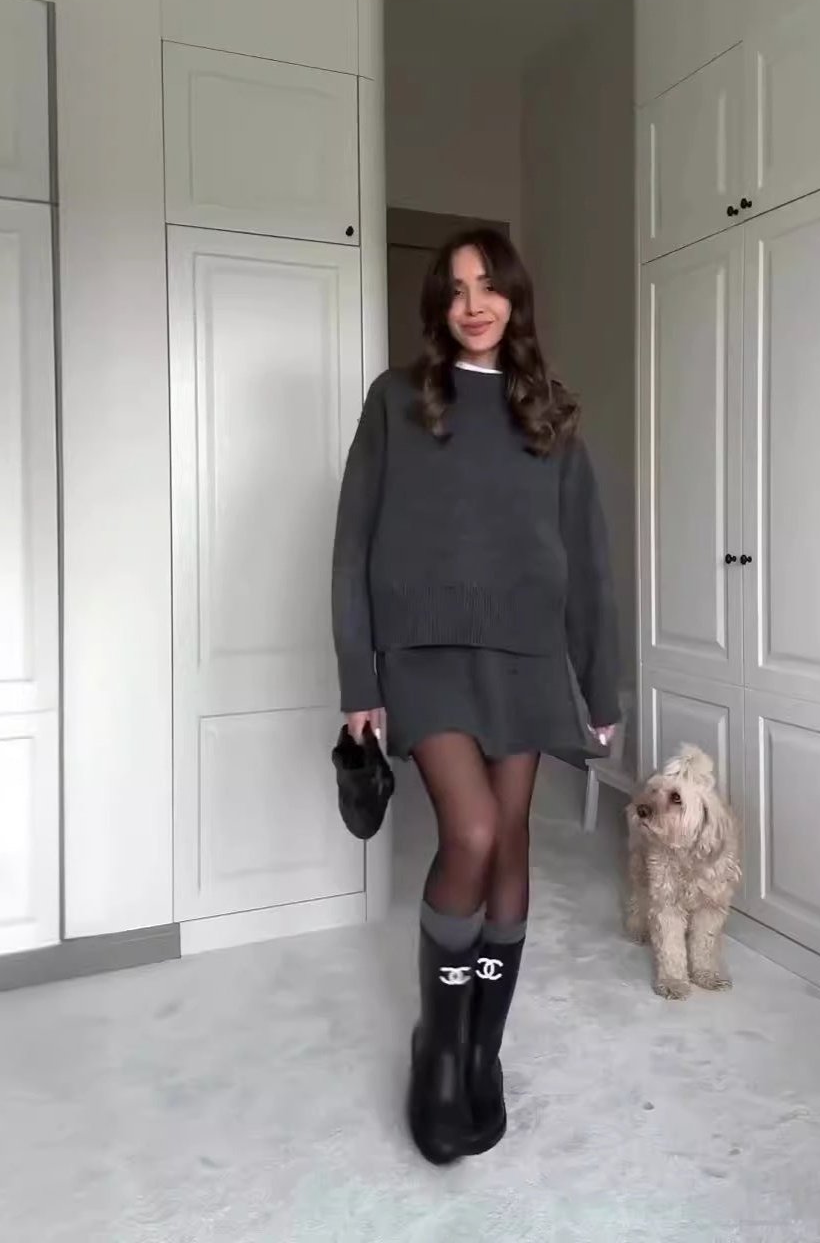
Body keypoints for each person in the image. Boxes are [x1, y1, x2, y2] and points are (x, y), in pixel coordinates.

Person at [331, 228, 620, 1166]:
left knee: (512, 843)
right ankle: (440, 1051)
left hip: (526, 656)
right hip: (424, 654)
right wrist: (358, 677)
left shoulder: (551, 413)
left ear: (514, 298)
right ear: (439, 306)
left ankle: (483, 1048)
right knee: (475, 833)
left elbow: (588, 560)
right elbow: (352, 543)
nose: (473, 305)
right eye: (455, 290)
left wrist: (599, 682)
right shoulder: (397, 399)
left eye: (488, 286)